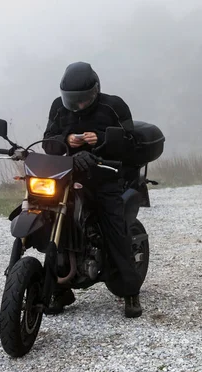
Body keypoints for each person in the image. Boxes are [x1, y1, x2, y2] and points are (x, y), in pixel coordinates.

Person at [41, 61, 143, 318]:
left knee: (115, 229)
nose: (79, 105)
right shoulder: (57, 106)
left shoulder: (114, 105)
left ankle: (130, 291)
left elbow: (131, 143)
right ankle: (59, 289)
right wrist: (66, 140)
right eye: (72, 100)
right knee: (54, 225)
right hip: (66, 176)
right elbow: (48, 140)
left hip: (105, 177)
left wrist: (103, 139)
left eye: (84, 99)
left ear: (95, 91)